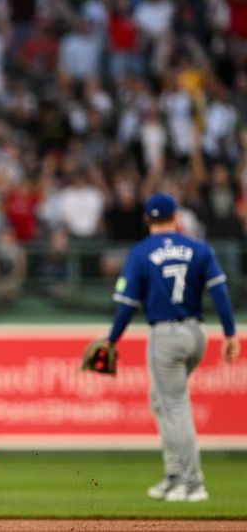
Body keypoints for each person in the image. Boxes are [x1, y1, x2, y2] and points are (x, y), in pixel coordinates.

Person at [101, 193, 240, 502]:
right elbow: (219, 293)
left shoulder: (140, 252)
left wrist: (111, 340)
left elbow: (126, 305)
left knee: (175, 405)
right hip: (196, 333)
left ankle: (193, 483)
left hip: (165, 335)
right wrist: (230, 334)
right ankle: (174, 475)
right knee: (160, 400)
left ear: (146, 220)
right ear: (176, 217)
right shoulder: (199, 248)